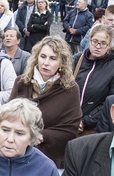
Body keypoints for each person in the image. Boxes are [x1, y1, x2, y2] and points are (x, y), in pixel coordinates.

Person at [9, 36, 82, 168]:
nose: (46, 62)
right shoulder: (21, 82)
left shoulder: (70, 89)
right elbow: (8, 116)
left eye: (53, 58)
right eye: (43, 56)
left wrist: (41, 136)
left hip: (48, 160)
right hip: (16, 155)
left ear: (62, 63)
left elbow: (71, 129)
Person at [73, 25, 114, 135]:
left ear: (109, 45)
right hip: (69, 122)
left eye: (103, 43)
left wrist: (86, 121)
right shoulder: (78, 59)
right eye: (95, 41)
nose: (98, 46)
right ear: (89, 40)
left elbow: (113, 100)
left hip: (94, 129)